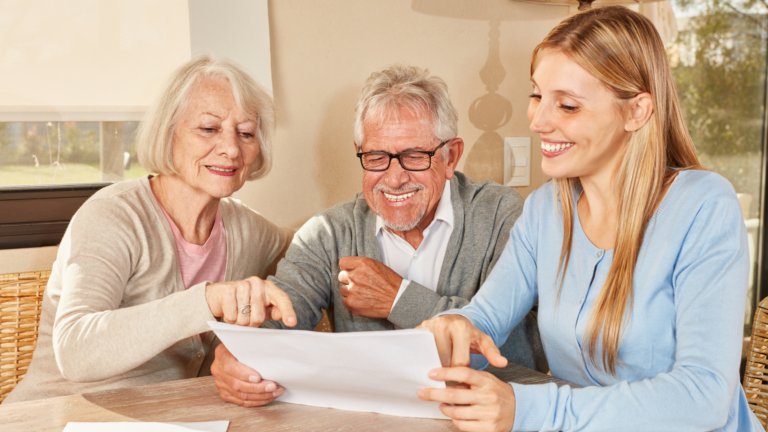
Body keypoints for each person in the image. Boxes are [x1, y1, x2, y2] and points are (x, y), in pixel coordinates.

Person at [416, 6, 763, 432]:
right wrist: (457, 328)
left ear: (636, 112)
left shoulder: (704, 207)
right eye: (537, 96)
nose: (539, 120)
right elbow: (486, 320)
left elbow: (703, 396)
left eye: (567, 105)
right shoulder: (545, 210)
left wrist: (531, 409)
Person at [211, 65, 548, 407]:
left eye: (415, 156)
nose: (394, 178)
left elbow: (524, 352)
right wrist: (237, 357)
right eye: (377, 157)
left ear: (451, 156)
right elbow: (277, 324)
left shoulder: (500, 214)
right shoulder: (329, 233)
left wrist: (399, 299)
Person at [3, 56, 297, 404]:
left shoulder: (248, 230)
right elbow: (75, 350)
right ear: (168, 132)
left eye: (246, 133)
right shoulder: (113, 215)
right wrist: (205, 300)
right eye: (208, 128)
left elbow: (313, 248)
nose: (232, 148)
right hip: (56, 417)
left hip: (172, 418)